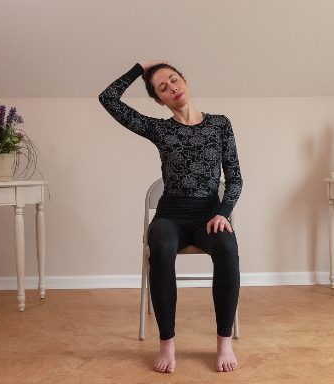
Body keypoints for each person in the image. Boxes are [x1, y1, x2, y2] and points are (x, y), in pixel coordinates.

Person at [99, 60, 243, 373]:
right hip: (171, 216)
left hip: (208, 215)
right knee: (161, 250)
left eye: (174, 80)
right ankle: (167, 343)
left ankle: (224, 342)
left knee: (228, 249)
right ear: (157, 100)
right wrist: (139, 69)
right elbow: (108, 99)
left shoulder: (220, 124)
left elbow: (235, 178)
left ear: (185, 81)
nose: (173, 88)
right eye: (163, 88)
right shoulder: (159, 129)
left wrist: (223, 212)